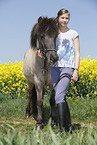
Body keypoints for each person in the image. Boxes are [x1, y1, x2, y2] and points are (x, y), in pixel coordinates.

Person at [51, 8, 80, 134]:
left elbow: (77, 53)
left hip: (67, 67)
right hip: (54, 68)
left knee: (59, 96)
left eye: (66, 18)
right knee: (60, 96)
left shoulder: (73, 33)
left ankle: (62, 130)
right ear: (58, 18)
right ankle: (68, 126)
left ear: (69, 19)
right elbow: (46, 45)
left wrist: (76, 70)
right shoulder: (53, 33)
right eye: (62, 18)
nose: (64, 20)